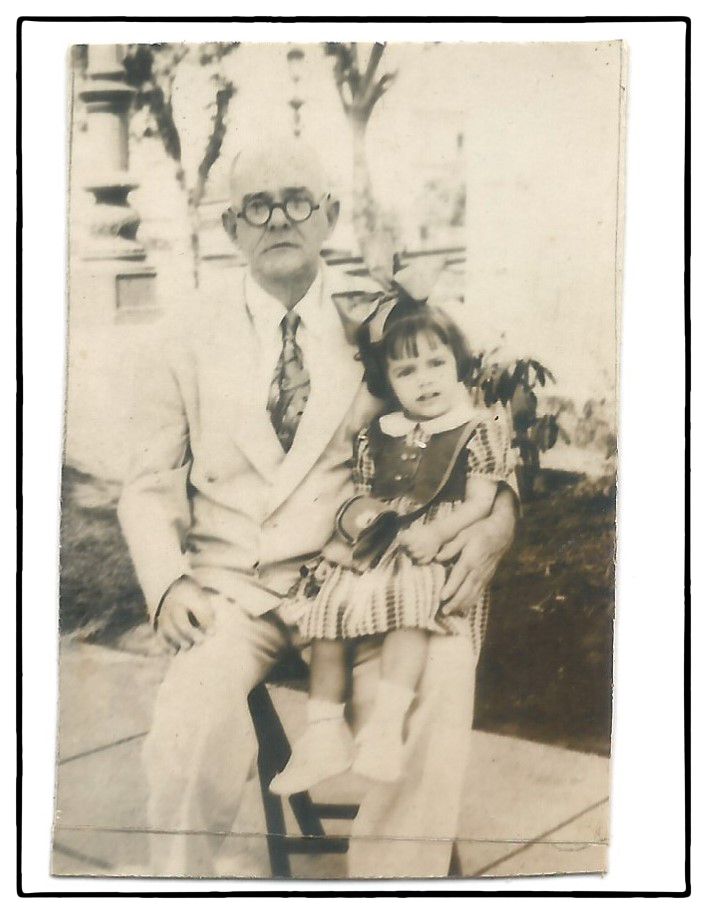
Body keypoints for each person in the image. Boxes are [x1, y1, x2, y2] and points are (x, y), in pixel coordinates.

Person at [118, 136, 518, 878]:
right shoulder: (183, 335)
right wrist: (167, 582)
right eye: (257, 206)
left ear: (327, 215)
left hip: (361, 583)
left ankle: (392, 883)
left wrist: (495, 523)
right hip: (231, 591)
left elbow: (478, 424)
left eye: (297, 201)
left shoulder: (386, 320)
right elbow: (145, 482)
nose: (279, 219)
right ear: (231, 227)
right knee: (189, 723)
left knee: (440, 672)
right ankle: (175, 888)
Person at [270, 296, 515, 795]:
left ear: (458, 364)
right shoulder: (381, 431)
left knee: (412, 611)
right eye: (407, 372)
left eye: (436, 364)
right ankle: (323, 731)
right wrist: (354, 529)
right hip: (381, 540)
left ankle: (385, 726)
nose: (424, 380)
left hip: (429, 544)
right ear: (388, 382)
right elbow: (365, 491)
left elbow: (480, 501)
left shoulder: (476, 426)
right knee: (328, 618)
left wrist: (438, 533)